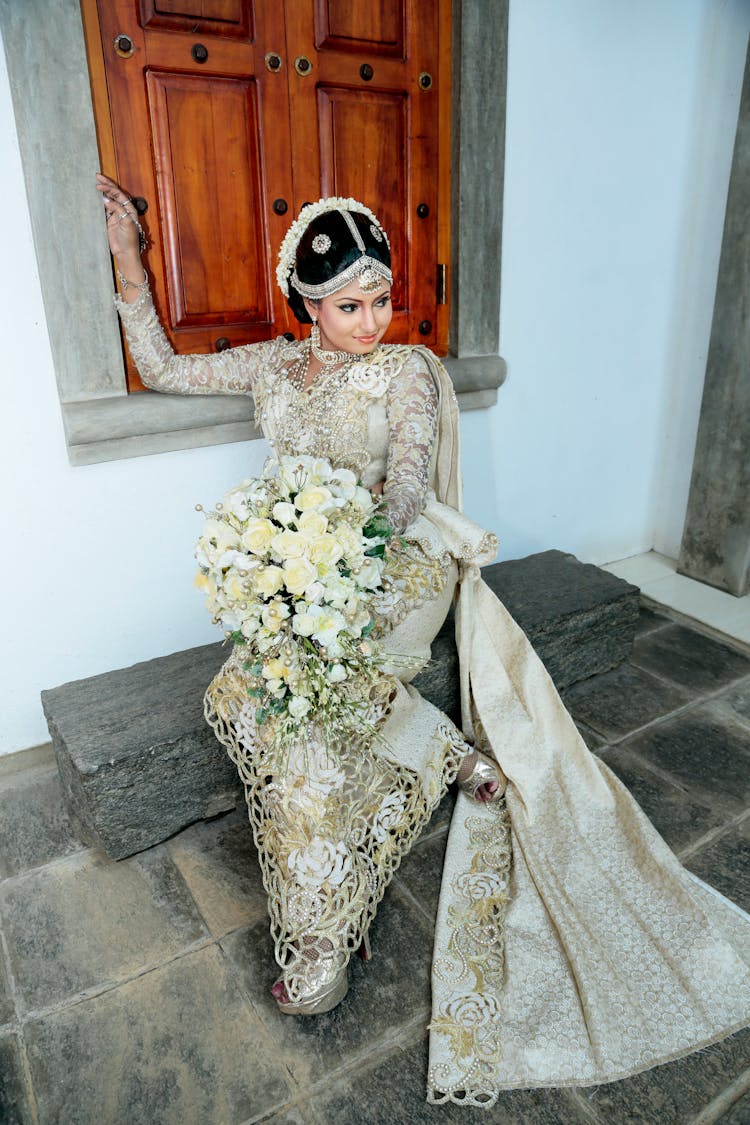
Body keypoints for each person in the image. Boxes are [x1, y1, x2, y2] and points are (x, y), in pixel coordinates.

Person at [96, 172, 750, 1108]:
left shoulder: (406, 373)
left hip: (393, 565)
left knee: (316, 700)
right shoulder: (271, 365)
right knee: (262, 701)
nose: (371, 321)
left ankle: (322, 938)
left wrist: (342, 569)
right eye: (348, 305)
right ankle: (434, 763)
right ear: (306, 304)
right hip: (303, 579)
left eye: (381, 300)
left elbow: (407, 485)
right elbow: (163, 368)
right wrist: (129, 257)